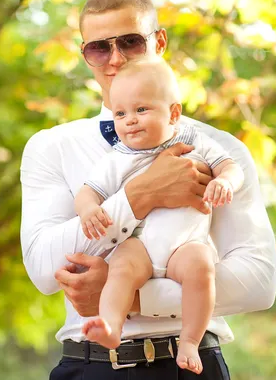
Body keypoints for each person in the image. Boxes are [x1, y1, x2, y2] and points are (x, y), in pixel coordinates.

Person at [21, 0, 276, 380]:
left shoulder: (218, 148)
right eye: (98, 48)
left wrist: (135, 299)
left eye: (130, 41)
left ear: (159, 42)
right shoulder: (52, 147)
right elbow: (44, 270)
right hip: (90, 367)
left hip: (191, 365)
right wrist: (140, 194)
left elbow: (259, 282)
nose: (115, 59)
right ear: (86, 56)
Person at [74, 57, 245, 374]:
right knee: (120, 267)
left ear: (174, 113)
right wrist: (88, 210)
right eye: (120, 114)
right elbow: (88, 192)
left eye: (141, 110)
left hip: (185, 245)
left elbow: (231, 167)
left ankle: (190, 340)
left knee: (202, 267)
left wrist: (224, 181)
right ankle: (111, 326)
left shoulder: (193, 142)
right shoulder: (120, 157)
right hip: (140, 245)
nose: (130, 121)